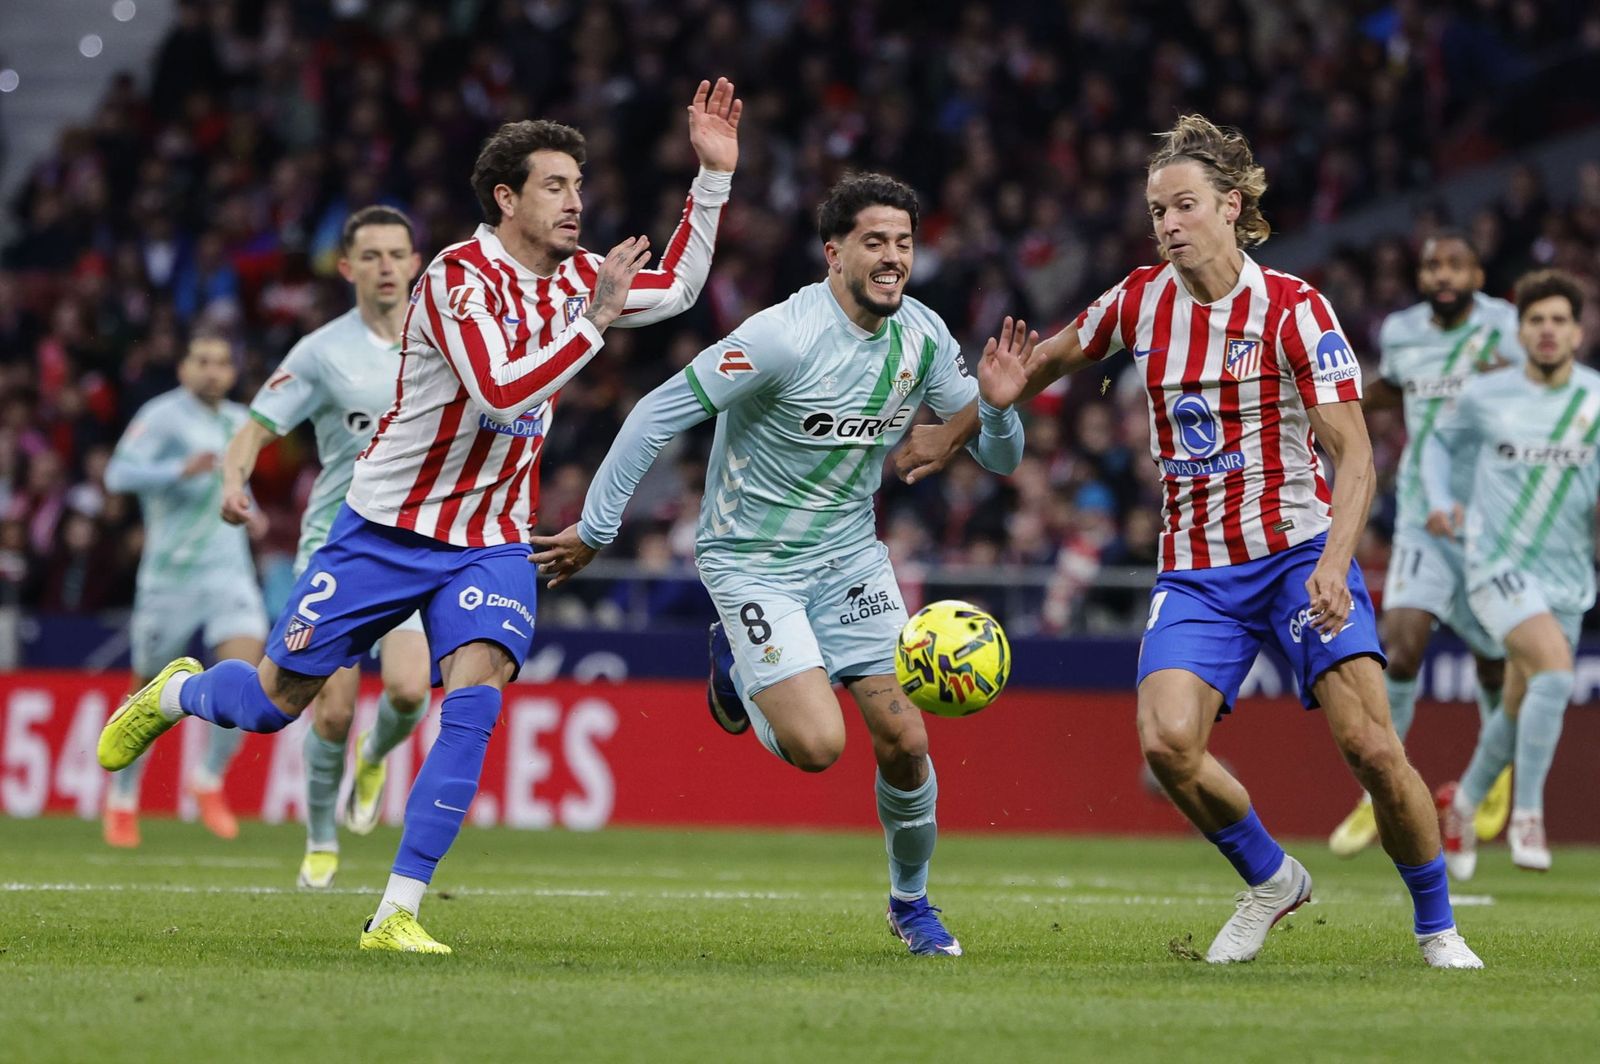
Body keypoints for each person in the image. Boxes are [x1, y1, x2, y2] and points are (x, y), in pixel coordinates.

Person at [97, 77, 742, 953]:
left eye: (580, 188)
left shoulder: (581, 279)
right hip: (385, 528)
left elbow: (680, 289)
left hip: (490, 539)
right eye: (557, 186)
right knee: (276, 704)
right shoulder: (456, 280)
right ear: (507, 197)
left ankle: (396, 910)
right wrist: (593, 324)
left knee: (472, 702)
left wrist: (713, 177)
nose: (576, 204)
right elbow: (499, 388)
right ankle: (177, 692)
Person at [908, 115, 1481, 968]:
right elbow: (1045, 362)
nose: (1168, 224)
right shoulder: (1139, 301)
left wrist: (1332, 562)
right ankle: (1273, 880)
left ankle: (1437, 924)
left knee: (1369, 744)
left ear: (1232, 206)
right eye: (1156, 211)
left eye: (1183, 206)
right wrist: (961, 427)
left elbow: (1355, 452)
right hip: (1198, 569)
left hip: (1297, 553)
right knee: (1167, 742)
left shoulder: (1294, 307)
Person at [530, 172, 1026, 957]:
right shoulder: (781, 336)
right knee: (818, 748)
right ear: (834, 253)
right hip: (750, 561)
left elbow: (1003, 459)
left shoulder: (925, 335)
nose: (893, 257)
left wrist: (993, 409)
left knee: (906, 741)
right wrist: (596, 528)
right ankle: (736, 666)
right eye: (874, 242)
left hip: (850, 559)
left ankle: (912, 903)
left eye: (903, 242)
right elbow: (658, 410)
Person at [220, 206, 430, 889]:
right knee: (331, 709)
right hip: (336, 548)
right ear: (347, 269)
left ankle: (378, 757)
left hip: (412, 543)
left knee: (407, 692)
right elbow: (255, 425)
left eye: (398, 253)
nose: (387, 267)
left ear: (416, 261)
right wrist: (234, 482)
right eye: (371, 256)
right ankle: (319, 838)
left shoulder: (445, 341)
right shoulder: (320, 351)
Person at [1328, 233, 1524, 857]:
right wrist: (1327, 402)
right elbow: (1398, 387)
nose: (1442, 275)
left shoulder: (1509, 327)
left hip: (1493, 514)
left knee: (1493, 659)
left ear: (1478, 273)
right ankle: (1379, 792)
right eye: (1432, 265)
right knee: (1403, 643)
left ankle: (1493, 775)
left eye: (1454, 265)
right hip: (1421, 514)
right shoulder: (1405, 330)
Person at [1431, 270, 1594, 878]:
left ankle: (1465, 802)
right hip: (1496, 563)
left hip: (1567, 575)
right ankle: (1528, 814)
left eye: (1559, 321)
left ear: (1577, 333)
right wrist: (1442, 498)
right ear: (1520, 331)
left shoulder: (1595, 400)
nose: (1547, 331)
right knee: (1554, 671)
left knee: (1522, 701)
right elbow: (1437, 445)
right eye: (1536, 320)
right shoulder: (1485, 395)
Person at [102, 335, 268, 848]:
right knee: (146, 688)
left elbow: (236, 478)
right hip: (169, 575)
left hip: (228, 570)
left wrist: (251, 510)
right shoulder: (163, 416)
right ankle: (124, 799)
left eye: (223, 362)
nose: (214, 372)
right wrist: (177, 468)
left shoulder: (242, 418)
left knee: (248, 673)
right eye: (204, 362)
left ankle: (208, 780)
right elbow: (117, 474)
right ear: (183, 368)